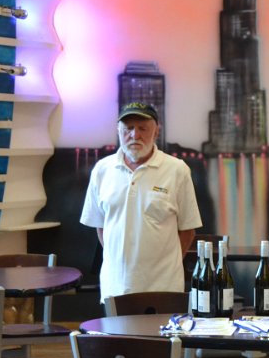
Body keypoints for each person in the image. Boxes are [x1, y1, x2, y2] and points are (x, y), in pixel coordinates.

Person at [80, 102, 202, 301]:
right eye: (128, 128)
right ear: (118, 131)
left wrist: (166, 266)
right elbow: (101, 226)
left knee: (161, 324)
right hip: (115, 286)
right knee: (115, 324)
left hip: (164, 287)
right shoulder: (102, 170)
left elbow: (188, 230)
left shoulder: (177, 170)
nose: (135, 135)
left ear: (156, 132)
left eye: (142, 128)